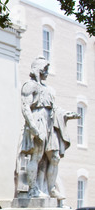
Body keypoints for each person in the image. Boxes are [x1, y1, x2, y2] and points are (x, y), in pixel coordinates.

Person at [18, 56, 79, 200]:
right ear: (38, 70)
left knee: (55, 157)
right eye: (45, 69)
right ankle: (33, 189)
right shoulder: (30, 85)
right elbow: (25, 107)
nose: (47, 72)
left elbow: (53, 108)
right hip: (38, 121)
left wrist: (66, 114)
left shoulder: (48, 89)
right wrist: (33, 127)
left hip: (50, 123)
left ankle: (51, 189)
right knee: (37, 156)